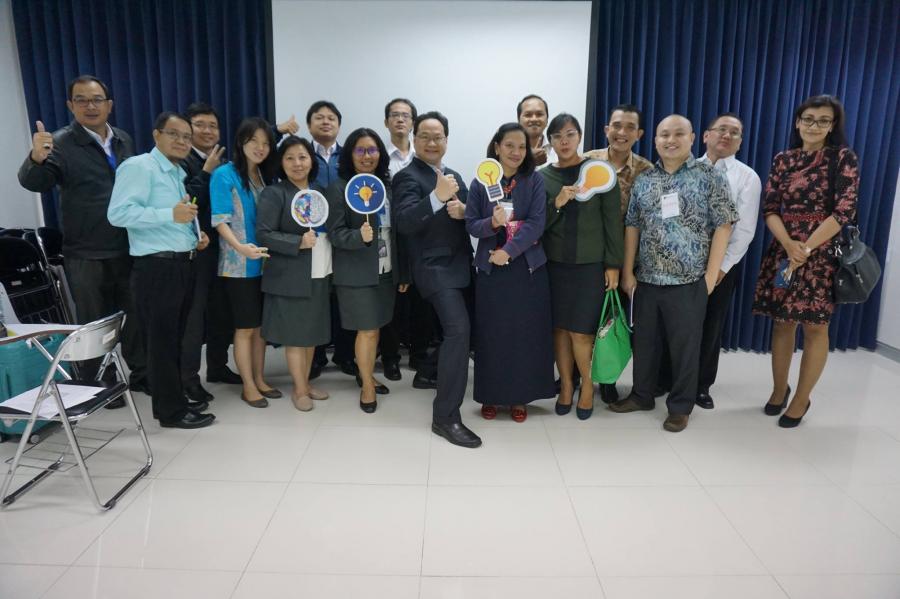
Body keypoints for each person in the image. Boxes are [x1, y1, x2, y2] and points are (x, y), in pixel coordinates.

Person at [18, 75, 147, 398]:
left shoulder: (123, 139)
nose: (90, 106)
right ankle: (99, 381)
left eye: (96, 99)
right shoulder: (60, 143)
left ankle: (142, 373)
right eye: (81, 100)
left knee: (136, 314)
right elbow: (36, 182)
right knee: (93, 322)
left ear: (109, 104)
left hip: (127, 245)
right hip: (86, 251)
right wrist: (36, 158)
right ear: (70, 105)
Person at [611, 114, 737, 433]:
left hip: (689, 281)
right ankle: (641, 395)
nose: (671, 140)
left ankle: (680, 407)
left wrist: (710, 277)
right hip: (647, 279)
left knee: (685, 349)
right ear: (655, 140)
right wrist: (628, 272)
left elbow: (724, 226)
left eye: (678, 134)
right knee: (645, 344)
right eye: (664, 134)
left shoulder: (709, 177)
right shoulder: (645, 179)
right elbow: (632, 226)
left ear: (693, 138)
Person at [753, 95, 859, 428]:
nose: (814, 125)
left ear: (832, 125)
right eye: (809, 119)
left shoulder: (843, 158)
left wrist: (807, 248)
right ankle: (778, 389)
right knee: (782, 322)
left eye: (823, 120)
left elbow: (844, 211)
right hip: (785, 248)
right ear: (798, 122)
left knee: (816, 326)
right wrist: (789, 245)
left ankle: (801, 399)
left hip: (822, 252)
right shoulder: (783, 159)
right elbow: (770, 208)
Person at [107, 111, 214, 429]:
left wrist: (196, 235)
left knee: (175, 339)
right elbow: (118, 213)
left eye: (186, 137)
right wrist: (169, 215)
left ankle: (176, 400)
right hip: (157, 268)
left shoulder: (178, 172)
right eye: (174, 134)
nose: (181, 141)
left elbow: (182, 215)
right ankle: (170, 412)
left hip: (182, 264)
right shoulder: (139, 167)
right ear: (156, 135)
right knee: (162, 343)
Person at [395, 111, 481, 448]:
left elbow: (469, 217)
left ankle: (428, 372)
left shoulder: (454, 174)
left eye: (438, 137)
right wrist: (436, 197)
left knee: (468, 329)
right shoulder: (407, 177)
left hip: (462, 265)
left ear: (446, 140)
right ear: (414, 139)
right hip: (433, 268)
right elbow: (404, 222)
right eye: (425, 136)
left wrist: (465, 212)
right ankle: (445, 417)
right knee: (459, 330)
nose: (432, 142)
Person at [465, 123, 555, 422]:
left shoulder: (534, 180)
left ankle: (520, 397)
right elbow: (471, 224)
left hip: (526, 268)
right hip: (491, 269)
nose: (516, 152)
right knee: (493, 334)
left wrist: (509, 251)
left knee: (524, 335)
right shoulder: (480, 183)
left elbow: (536, 223)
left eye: (522, 147)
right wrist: (491, 223)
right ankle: (490, 395)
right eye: (509, 146)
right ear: (497, 147)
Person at [540, 113, 623, 420]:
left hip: (590, 266)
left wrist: (613, 264)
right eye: (557, 136)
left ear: (580, 137)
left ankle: (587, 385)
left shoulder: (599, 171)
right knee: (559, 330)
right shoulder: (542, 177)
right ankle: (566, 385)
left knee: (582, 332)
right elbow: (537, 225)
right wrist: (557, 203)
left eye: (570, 134)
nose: (564, 141)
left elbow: (612, 221)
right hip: (554, 265)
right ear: (550, 141)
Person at [325, 128, 409, 413]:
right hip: (357, 272)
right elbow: (335, 233)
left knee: (376, 327)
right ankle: (367, 387)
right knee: (368, 330)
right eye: (359, 150)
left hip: (386, 269)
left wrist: (401, 271)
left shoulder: (386, 186)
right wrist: (357, 237)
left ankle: (366, 374)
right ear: (350, 154)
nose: (366, 156)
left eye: (372, 150)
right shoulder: (340, 188)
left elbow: (396, 232)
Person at [685, 113, 761, 409]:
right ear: (706, 135)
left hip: (721, 267)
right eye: (721, 130)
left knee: (710, 326)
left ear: (740, 142)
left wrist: (720, 269)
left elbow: (745, 230)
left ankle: (701, 386)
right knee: (678, 325)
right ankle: (669, 378)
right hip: (682, 263)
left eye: (734, 133)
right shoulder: (686, 168)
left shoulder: (747, 177)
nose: (727, 136)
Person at [583, 104, 654, 403]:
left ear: (639, 134)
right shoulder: (587, 162)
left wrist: (627, 269)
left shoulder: (647, 171)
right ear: (606, 129)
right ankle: (576, 374)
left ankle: (608, 377)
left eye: (629, 127)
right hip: (587, 256)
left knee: (612, 320)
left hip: (626, 260)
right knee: (584, 321)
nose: (621, 132)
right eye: (616, 125)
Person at [256, 136, 332, 412]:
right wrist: (297, 242)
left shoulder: (320, 191)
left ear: (311, 160)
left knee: (310, 333)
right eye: (289, 158)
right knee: (295, 336)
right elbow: (263, 234)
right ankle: (299, 390)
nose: (297, 163)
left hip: (320, 270)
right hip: (289, 275)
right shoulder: (274, 193)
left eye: (302, 157)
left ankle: (306, 383)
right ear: (281, 162)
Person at [210, 117, 280, 408]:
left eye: (265, 143)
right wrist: (240, 247)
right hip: (237, 266)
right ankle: (248, 385)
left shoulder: (263, 176)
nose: (260, 148)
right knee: (245, 328)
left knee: (261, 328)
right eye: (254, 142)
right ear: (241, 142)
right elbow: (219, 220)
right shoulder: (224, 174)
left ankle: (260, 379)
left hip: (264, 263)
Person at [179, 102, 232, 403]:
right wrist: (206, 171)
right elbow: (188, 202)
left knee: (221, 312)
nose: (207, 131)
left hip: (223, 247)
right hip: (196, 249)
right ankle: (188, 378)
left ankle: (218, 366)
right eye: (200, 125)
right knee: (194, 318)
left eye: (213, 126)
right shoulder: (181, 160)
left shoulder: (224, 161)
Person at [306, 100, 356, 378]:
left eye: (331, 118)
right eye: (319, 117)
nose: (325, 122)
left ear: (339, 124)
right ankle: (315, 357)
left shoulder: (348, 156)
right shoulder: (301, 155)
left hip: (344, 234)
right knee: (316, 298)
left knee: (345, 296)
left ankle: (345, 354)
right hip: (313, 237)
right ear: (309, 124)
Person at [379, 97, 421, 381]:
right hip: (389, 236)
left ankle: (418, 352)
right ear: (386, 122)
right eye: (395, 115)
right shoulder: (379, 158)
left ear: (412, 123)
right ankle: (390, 357)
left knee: (420, 298)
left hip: (418, 235)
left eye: (406, 115)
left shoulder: (422, 157)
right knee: (390, 299)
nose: (400, 119)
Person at [517, 94, 555, 167]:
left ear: (547, 119)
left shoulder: (558, 147)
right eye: (528, 115)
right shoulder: (508, 150)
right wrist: (528, 161)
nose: (534, 119)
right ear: (519, 120)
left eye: (539, 114)